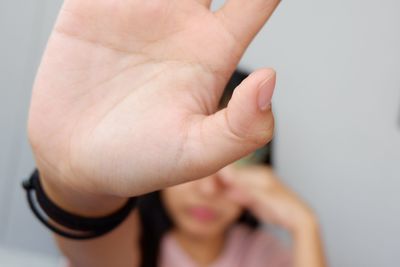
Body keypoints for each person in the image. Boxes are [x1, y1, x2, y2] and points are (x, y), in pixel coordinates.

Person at [26, 0, 327, 266]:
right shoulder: (133, 239)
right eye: (196, 165)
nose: (209, 191)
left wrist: (305, 225)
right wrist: (77, 191)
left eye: (231, 167)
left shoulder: (263, 254)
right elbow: (98, 257)